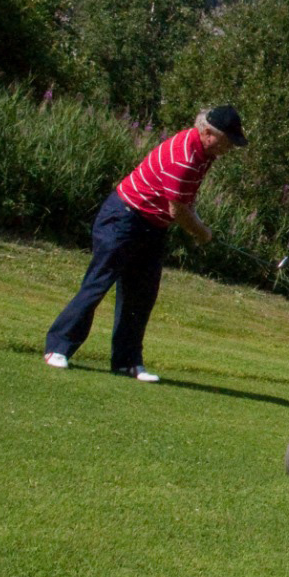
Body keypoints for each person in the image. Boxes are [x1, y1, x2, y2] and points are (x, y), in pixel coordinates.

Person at [43, 105, 248, 381]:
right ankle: (58, 347)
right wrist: (202, 233)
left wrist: (199, 225)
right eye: (228, 141)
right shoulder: (185, 156)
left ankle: (127, 362)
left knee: (141, 296)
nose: (230, 148)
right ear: (208, 133)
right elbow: (178, 210)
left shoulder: (205, 153)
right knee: (98, 283)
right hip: (123, 218)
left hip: (152, 225)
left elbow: (186, 199)